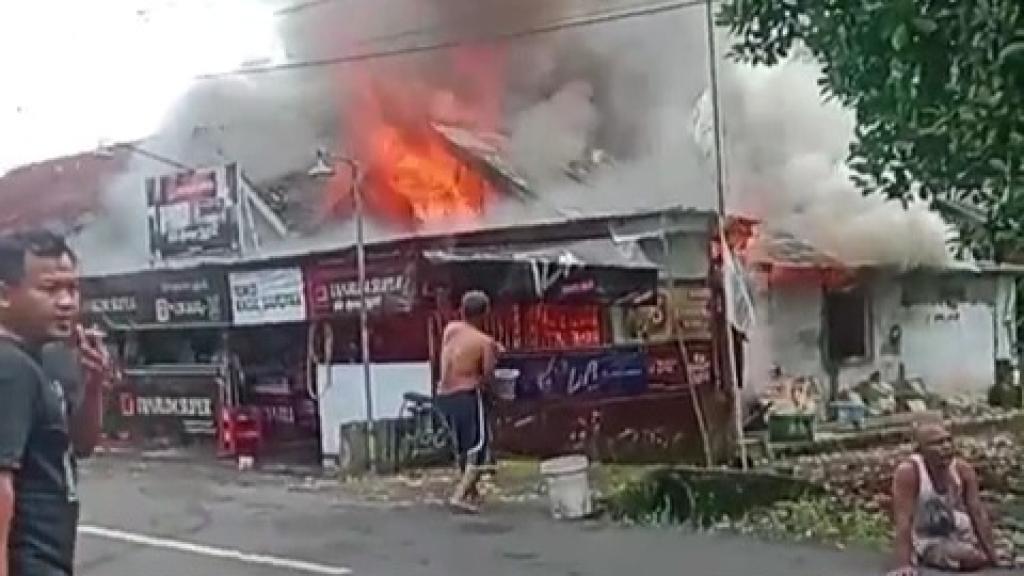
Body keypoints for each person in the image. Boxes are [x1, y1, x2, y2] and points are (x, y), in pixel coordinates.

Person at [0, 231, 111, 576]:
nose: (67, 302)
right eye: (50, 290)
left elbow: (80, 446)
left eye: (72, 289)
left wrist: (94, 385)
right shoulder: (10, 368)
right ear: (4, 295)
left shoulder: (47, 360)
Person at [887, 423, 998, 576]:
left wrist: (993, 556)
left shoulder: (962, 469)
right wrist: (904, 565)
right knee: (968, 558)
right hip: (927, 538)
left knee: (990, 555)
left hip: (959, 532)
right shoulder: (909, 472)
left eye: (948, 441)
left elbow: (977, 512)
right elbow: (903, 519)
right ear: (921, 450)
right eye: (937, 443)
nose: (946, 447)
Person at [437, 291, 501, 514]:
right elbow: (487, 376)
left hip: (445, 396)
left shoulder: (450, 330)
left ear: (462, 310)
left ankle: (471, 492)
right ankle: (460, 494)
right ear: (485, 314)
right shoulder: (485, 342)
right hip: (468, 395)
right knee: (477, 446)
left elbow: (459, 353)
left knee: (463, 445)